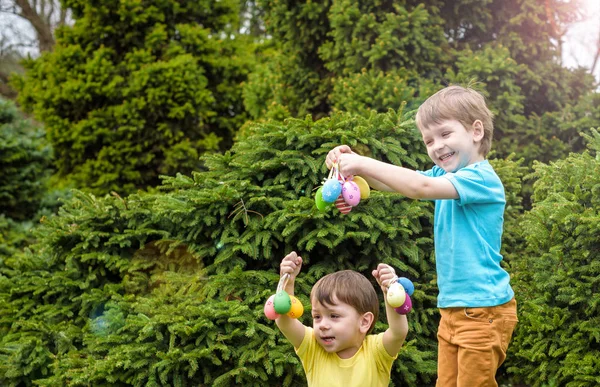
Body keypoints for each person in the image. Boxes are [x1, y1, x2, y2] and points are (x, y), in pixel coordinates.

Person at [326, 85, 518, 387]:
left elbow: (419, 187)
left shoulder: (482, 179)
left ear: (476, 131)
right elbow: (394, 183)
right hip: (453, 309)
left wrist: (363, 163)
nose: (436, 146)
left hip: (484, 311)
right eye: (429, 140)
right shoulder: (444, 176)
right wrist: (350, 170)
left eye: (444, 134)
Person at [275, 251, 408, 387]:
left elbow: (398, 332)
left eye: (334, 316)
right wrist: (287, 281)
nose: (323, 325)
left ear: (364, 322)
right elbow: (285, 322)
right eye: (317, 316)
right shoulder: (313, 348)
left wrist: (390, 291)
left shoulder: (376, 352)